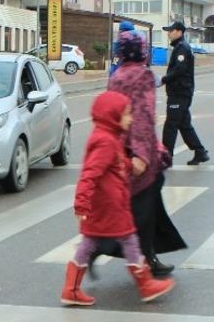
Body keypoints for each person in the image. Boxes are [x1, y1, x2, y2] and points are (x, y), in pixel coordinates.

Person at [61, 91, 175, 306]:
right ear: (112, 116)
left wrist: (129, 165)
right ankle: (146, 285)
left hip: (105, 205)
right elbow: (90, 174)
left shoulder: (109, 138)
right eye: (126, 115)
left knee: (89, 244)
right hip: (110, 206)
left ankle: (71, 289)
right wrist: (81, 204)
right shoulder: (105, 141)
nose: (130, 119)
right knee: (130, 242)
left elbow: (113, 165)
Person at [97, 32, 185, 277]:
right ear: (142, 51)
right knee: (143, 207)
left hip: (119, 148)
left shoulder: (116, 77)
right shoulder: (144, 75)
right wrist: (144, 154)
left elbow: (109, 111)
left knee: (138, 204)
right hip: (139, 151)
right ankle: (139, 258)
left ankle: (147, 256)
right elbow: (144, 117)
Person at [160, 21, 209, 165]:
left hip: (180, 93)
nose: (168, 33)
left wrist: (164, 79)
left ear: (179, 32)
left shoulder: (182, 48)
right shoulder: (179, 47)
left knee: (171, 125)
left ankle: (165, 158)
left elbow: (179, 70)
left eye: (171, 30)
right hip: (181, 92)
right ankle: (200, 152)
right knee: (184, 124)